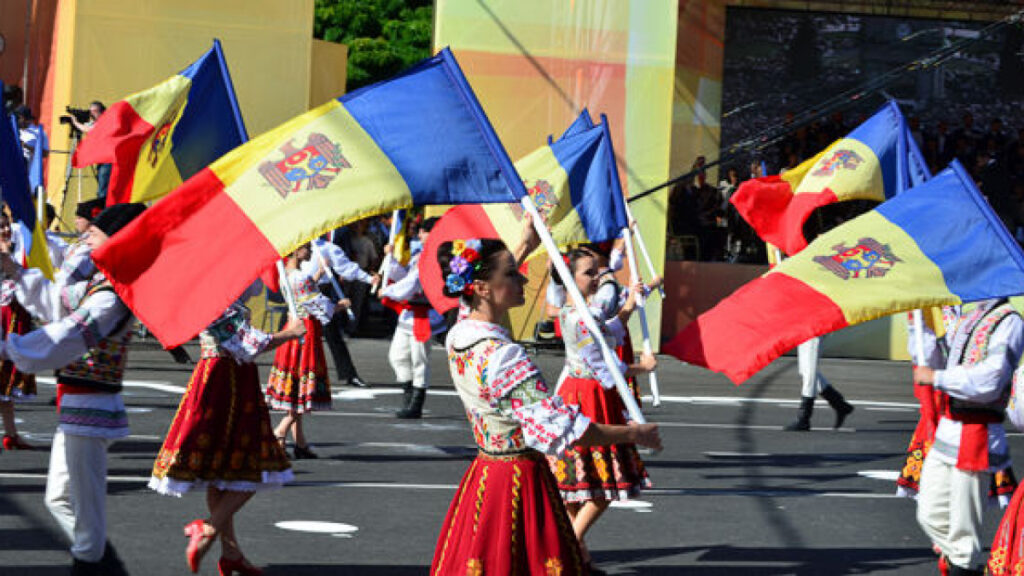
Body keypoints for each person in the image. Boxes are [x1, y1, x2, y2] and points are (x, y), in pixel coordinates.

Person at [430, 223, 662, 576]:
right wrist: (634, 434)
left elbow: (476, 299)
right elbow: (569, 430)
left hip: (486, 472)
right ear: (481, 288)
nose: (523, 280)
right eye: (512, 275)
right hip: (518, 478)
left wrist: (524, 243)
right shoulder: (504, 357)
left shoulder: (459, 335)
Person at [0, 203, 145, 576]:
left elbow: (70, 333)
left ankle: (93, 564)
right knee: (59, 498)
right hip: (79, 406)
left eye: (94, 233)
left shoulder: (111, 294)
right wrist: (12, 268)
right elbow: (57, 305)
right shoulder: (101, 284)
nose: (85, 237)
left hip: (90, 407)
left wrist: (10, 348)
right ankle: (101, 560)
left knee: (86, 500)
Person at [149, 281, 305, 575]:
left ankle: (230, 552)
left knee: (221, 471)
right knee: (254, 465)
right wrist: (289, 333)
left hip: (228, 377)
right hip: (223, 379)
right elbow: (248, 344)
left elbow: (254, 290)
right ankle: (208, 528)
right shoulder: (212, 296)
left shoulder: (220, 290)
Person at [547, 246, 657, 571]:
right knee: (604, 484)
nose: (597, 278)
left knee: (575, 487)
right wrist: (642, 368)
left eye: (597, 271)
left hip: (584, 393)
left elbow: (608, 331)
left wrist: (627, 306)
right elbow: (603, 368)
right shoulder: (578, 316)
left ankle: (578, 556)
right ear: (569, 277)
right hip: (589, 397)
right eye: (589, 273)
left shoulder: (585, 312)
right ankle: (569, 549)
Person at [912, 299, 1023, 576]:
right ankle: (963, 566)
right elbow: (935, 361)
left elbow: (991, 379)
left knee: (963, 533)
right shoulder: (969, 318)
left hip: (977, 434)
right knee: (929, 513)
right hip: (949, 431)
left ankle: (962, 566)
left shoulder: (1009, 320)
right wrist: (919, 327)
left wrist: (937, 377)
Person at [265, 243, 338, 459]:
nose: (310, 251)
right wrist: (340, 305)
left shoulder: (286, 275)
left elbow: (303, 294)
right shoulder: (300, 277)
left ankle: (300, 442)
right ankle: (280, 431)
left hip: (293, 328)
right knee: (304, 387)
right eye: (306, 248)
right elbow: (318, 304)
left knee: (296, 386)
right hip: (305, 331)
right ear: (296, 251)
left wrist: (317, 274)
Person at [380, 217, 446, 418]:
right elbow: (405, 276)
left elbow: (413, 283)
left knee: (419, 360)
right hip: (410, 312)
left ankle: (415, 404)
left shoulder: (437, 256)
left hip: (424, 313)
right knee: (397, 356)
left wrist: (388, 291)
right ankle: (408, 395)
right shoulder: (420, 255)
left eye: (423, 231)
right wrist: (390, 260)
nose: (419, 235)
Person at [300, 236, 378, 387]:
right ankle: (293, 374)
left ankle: (349, 374)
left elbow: (347, 268)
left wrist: (369, 279)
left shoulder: (327, 247)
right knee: (296, 335)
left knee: (333, 335)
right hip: (299, 294)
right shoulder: (295, 244)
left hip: (321, 292)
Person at [0, 211, 36, 450]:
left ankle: (11, 434)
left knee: (5, 385)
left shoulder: (16, 249)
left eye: (6, 226)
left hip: (14, 318)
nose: (5, 230)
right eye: (0, 227)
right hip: (3, 316)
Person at [784, 336, 854, 431]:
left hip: (814, 328)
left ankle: (804, 418)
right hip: (804, 326)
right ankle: (840, 405)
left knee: (809, 372)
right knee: (805, 371)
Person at [70, 101, 111, 199]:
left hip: (107, 161)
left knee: (103, 191)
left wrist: (75, 123)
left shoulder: (105, 121)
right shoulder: (95, 122)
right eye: (90, 111)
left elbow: (89, 130)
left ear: (101, 112)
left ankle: (103, 209)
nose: (92, 114)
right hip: (101, 161)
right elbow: (88, 126)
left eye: (94, 112)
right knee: (102, 187)